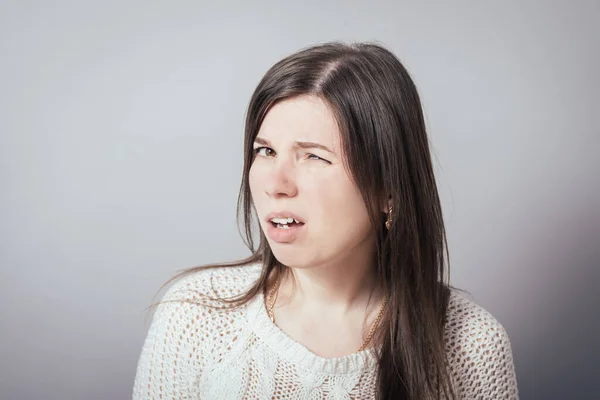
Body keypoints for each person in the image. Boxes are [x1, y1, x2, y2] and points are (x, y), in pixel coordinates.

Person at [132, 41, 519, 399]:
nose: (276, 184)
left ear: (389, 190)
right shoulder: (195, 314)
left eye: (314, 156)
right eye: (265, 151)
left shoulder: (472, 345)